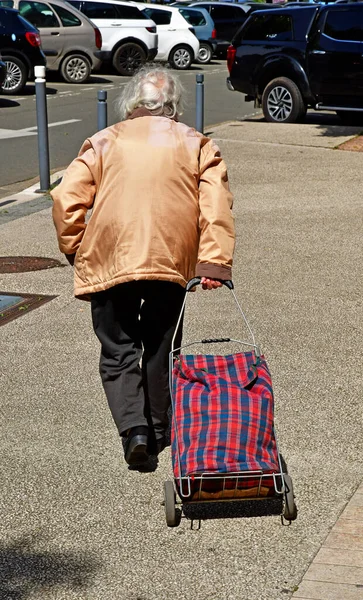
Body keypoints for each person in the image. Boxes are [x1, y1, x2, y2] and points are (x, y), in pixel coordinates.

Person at [52, 65, 235, 468]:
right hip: (170, 259)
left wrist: (77, 247)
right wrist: (214, 261)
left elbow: (67, 199)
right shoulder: (197, 143)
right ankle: (157, 430)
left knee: (117, 346)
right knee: (161, 346)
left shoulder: (103, 141)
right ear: (173, 107)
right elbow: (215, 203)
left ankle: (135, 430)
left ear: (132, 103)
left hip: (111, 253)